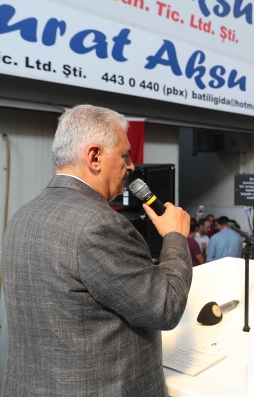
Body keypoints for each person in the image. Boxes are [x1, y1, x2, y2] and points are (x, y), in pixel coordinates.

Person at [2, 105, 193, 396]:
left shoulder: (22, 216)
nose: (131, 166)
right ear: (94, 157)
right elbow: (164, 308)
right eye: (125, 154)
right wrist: (176, 236)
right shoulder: (99, 225)